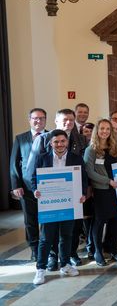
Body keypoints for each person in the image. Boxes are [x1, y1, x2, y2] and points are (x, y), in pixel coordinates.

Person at [30, 130, 87, 285]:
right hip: (49, 205)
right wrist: (35, 189)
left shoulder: (76, 158)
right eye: (56, 142)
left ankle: (65, 264)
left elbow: (83, 179)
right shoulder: (42, 158)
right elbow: (33, 178)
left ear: (67, 142)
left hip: (69, 203)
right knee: (46, 238)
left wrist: (82, 193)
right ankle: (40, 269)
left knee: (66, 236)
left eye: (62, 141)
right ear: (50, 143)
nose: (60, 144)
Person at [84, 119, 117, 266]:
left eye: (108, 129)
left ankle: (113, 249)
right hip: (102, 190)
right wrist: (108, 181)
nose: (105, 131)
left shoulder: (116, 147)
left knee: (116, 221)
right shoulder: (91, 150)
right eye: (102, 128)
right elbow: (89, 171)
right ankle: (98, 252)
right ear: (97, 130)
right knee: (99, 222)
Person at [10, 108, 47, 262]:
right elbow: (14, 164)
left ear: (46, 119)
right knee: (30, 220)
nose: (38, 121)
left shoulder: (52, 136)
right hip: (26, 188)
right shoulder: (20, 138)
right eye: (35, 118)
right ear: (29, 120)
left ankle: (47, 247)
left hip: (48, 187)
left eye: (41, 118)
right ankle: (34, 248)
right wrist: (15, 185)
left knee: (47, 220)